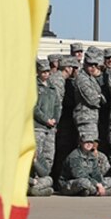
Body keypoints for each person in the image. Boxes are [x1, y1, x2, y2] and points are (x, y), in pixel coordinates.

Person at [31, 59, 62, 196]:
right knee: (37, 154)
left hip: (50, 128)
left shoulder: (52, 87)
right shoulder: (34, 86)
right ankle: (34, 181)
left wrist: (55, 120)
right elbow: (34, 107)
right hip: (39, 127)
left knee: (49, 155)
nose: (45, 74)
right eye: (43, 72)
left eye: (47, 72)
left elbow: (57, 105)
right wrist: (45, 120)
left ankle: (44, 181)